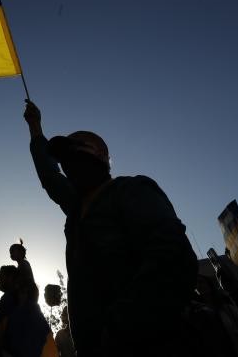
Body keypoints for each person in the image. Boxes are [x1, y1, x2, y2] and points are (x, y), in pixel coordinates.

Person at [23, 101, 198, 356]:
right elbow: (49, 176)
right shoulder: (76, 208)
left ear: (99, 158)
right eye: (64, 159)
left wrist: (122, 325)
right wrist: (35, 127)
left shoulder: (131, 190)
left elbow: (172, 256)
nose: (68, 164)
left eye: (75, 154)